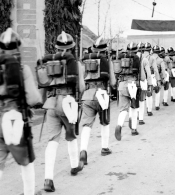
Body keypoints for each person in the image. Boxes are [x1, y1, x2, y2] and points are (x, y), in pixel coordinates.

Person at [0, 28, 42, 195]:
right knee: (26, 162)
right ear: (18, 47)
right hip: (15, 123)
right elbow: (34, 99)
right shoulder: (22, 69)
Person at [39, 31, 85, 192]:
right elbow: (81, 87)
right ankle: (74, 166)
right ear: (72, 47)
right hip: (68, 102)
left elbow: (44, 83)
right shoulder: (75, 63)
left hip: (51, 102)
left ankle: (48, 179)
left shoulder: (48, 62)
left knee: (52, 140)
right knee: (71, 135)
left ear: (56, 47)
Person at [79, 37, 116, 166]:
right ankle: (104, 148)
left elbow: (82, 83)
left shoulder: (85, 61)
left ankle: (83, 150)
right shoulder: (107, 61)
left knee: (86, 125)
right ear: (105, 49)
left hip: (88, 94)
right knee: (105, 122)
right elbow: (112, 82)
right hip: (102, 94)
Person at [115, 42, 140, 141]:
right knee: (134, 107)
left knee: (123, 109)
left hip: (122, 84)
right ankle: (134, 129)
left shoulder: (120, 56)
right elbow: (140, 74)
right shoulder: (137, 58)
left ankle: (119, 125)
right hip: (132, 84)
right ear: (136, 50)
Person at [137, 42, 152, 124]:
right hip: (142, 82)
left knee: (133, 100)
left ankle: (134, 116)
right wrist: (150, 84)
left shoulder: (132, 58)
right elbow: (148, 74)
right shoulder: (145, 59)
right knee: (141, 101)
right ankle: (141, 119)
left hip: (132, 82)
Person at [151, 45, 164, 110]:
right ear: (159, 52)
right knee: (157, 90)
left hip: (149, 76)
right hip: (157, 75)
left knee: (149, 92)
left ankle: (149, 108)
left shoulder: (149, 58)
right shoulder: (161, 60)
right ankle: (156, 105)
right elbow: (163, 70)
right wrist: (162, 78)